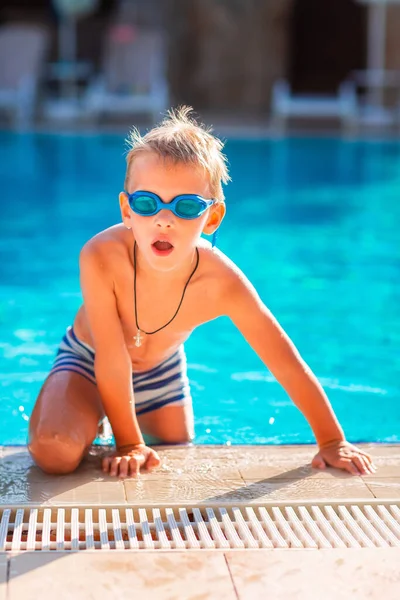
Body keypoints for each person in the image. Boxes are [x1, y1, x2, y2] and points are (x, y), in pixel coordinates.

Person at [28, 106, 377, 478]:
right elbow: (111, 356)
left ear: (211, 218)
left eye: (186, 206)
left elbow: (283, 361)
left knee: (177, 458)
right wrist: (128, 444)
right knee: (54, 451)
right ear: (127, 210)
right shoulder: (101, 255)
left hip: (161, 371)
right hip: (89, 361)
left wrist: (331, 440)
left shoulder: (221, 281)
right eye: (147, 203)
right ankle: (90, 415)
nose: (164, 219)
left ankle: (103, 420)